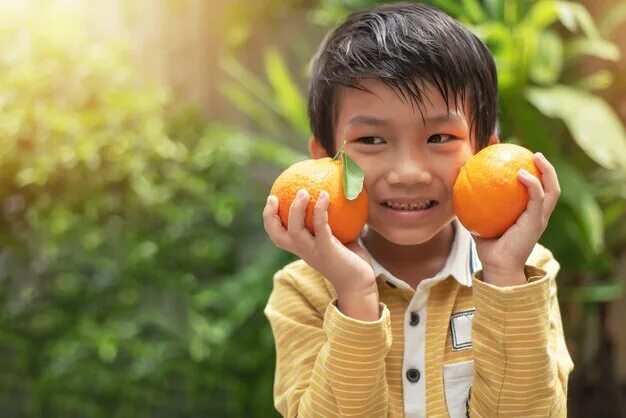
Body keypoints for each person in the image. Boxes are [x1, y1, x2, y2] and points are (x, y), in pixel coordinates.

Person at [262, 2, 574, 417]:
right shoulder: (304, 291)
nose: (408, 173)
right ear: (323, 159)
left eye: (440, 137)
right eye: (372, 141)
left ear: (485, 152)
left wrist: (504, 278)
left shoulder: (526, 272)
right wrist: (355, 294)